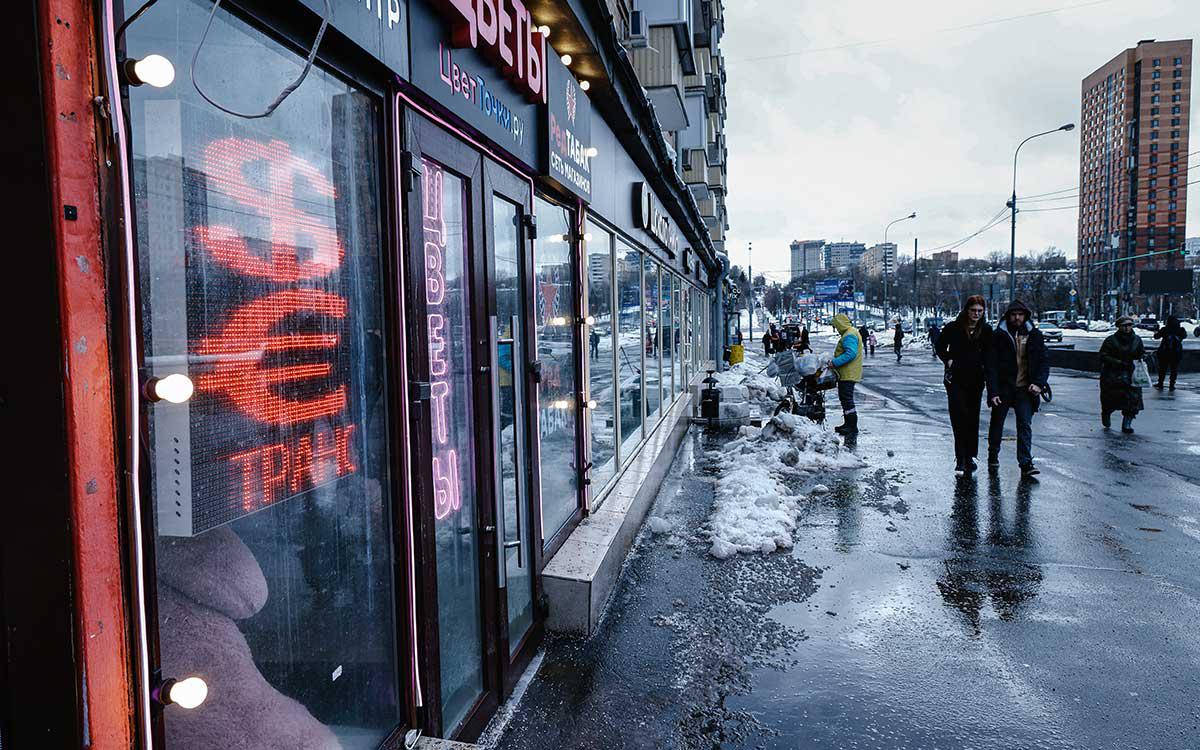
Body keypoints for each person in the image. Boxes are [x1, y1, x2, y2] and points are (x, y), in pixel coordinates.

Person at [985, 300, 1049, 478]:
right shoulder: (999, 335)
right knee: (997, 423)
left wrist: (1039, 383)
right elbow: (991, 366)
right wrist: (993, 392)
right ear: (1008, 316)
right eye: (1014, 314)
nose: (1017, 318)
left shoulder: (1034, 335)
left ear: (1025, 316)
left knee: (1024, 424)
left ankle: (1025, 463)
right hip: (1004, 388)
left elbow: (1044, 361)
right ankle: (993, 454)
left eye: (1020, 314)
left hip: (1025, 389)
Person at [936, 296, 992, 474]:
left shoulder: (986, 330)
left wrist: (985, 369)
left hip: (976, 380)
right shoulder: (954, 327)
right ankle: (960, 457)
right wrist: (948, 359)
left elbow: (991, 354)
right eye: (973, 310)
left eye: (980, 311)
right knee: (959, 416)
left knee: (972, 418)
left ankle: (969, 457)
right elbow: (939, 345)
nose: (976, 314)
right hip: (955, 379)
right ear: (967, 310)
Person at [1099, 316, 1145, 433]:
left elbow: (1141, 353)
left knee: (1133, 401)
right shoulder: (1111, 340)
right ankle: (1106, 413)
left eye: (1129, 325)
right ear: (1119, 327)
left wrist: (1141, 359)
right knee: (1111, 400)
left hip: (1131, 374)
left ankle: (1127, 424)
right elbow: (1103, 356)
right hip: (1113, 375)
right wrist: (1118, 362)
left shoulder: (1137, 340)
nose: (1127, 328)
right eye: (1124, 325)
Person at [829, 313, 864, 435]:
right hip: (847, 373)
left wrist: (834, 363)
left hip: (848, 373)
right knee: (845, 399)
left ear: (840, 324)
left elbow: (850, 354)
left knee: (847, 399)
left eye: (836, 326)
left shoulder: (849, 335)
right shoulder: (850, 332)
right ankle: (848, 423)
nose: (836, 329)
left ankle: (852, 426)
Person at [1153, 315, 1188, 390]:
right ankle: (1172, 385)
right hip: (1176, 353)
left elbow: (1156, 337)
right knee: (1174, 369)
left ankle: (1160, 383)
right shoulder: (1180, 330)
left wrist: (1156, 331)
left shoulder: (1165, 329)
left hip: (1164, 353)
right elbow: (1184, 336)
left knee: (1162, 368)